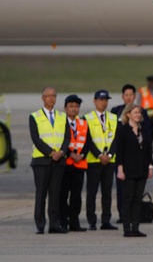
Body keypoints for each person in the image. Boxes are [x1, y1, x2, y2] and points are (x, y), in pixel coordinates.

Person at [29, 86, 68, 234]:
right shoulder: (35, 116)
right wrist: (51, 153)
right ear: (42, 98)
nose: (51, 98)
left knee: (55, 194)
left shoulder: (62, 116)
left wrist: (61, 152)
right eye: (48, 96)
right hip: (41, 161)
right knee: (41, 194)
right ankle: (40, 224)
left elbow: (67, 137)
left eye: (54, 96)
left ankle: (54, 224)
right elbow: (36, 138)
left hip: (58, 161)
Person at [115, 103, 153, 238]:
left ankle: (136, 227)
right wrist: (120, 169)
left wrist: (150, 166)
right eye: (135, 112)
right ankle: (127, 228)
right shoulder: (123, 130)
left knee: (137, 199)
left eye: (139, 113)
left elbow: (148, 150)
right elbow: (118, 151)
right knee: (128, 199)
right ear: (128, 114)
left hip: (142, 169)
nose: (138, 115)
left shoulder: (143, 130)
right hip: (128, 170)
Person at [85, 89, 118, 231]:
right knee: (91, 192)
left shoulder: (113, 118)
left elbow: (116, 139)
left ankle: (106, 220)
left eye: (105, 100)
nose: (103, 103)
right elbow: (87, 140)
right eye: (100, 100)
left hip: (109, 161)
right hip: (93, 160)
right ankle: (92, 220)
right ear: (94, 101)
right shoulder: (86, 118)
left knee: (107, 192)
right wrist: (99, 155)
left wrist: (109, 155)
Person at [59, 94, 91, 232]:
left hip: (79, 164)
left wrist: (82, 154)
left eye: (76, 106)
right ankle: (63, 221)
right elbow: (59, 141)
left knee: (76, 196)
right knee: (63, 194)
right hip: (65, 164)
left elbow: (88, 141)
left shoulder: (83, 123)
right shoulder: (60, 123)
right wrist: (70, 154)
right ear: (65, 108)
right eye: (71, 106)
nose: (74, 109)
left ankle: (74, 221)